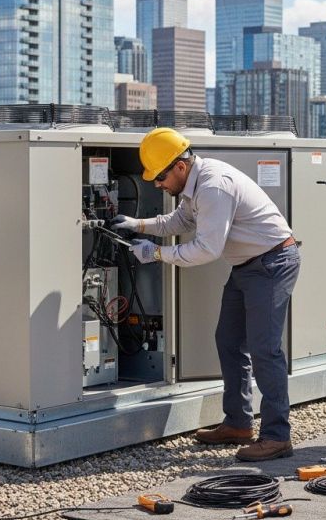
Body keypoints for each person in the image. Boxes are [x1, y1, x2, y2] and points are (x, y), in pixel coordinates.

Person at [111, 127, 301, 461]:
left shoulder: (213, 185)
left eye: (160, 177)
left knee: (265, 349)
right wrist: (138, 225)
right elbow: (179, 222)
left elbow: (205, 249)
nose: (157, 185)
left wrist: (154, 254)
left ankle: (276, 436)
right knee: (228, 341)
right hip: (248, 265)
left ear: (180, 166)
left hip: (272, 263)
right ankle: (239, 423)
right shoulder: (194, 185)